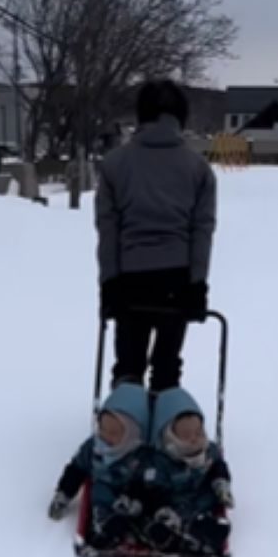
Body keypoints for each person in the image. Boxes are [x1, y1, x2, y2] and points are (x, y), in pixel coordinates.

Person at [95, 80, 218, 393]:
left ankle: (123, 425)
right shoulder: (199, 168)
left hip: (128, 278)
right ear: (181, 116)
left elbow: (107, 230)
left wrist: (109, 284)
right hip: (177, 280)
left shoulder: (114, 165)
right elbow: (202, 231)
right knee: (166, 365)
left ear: (141, 115)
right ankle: (170, 426)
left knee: (128, 365)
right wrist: (197, 284)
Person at [47, 383, 151, 550]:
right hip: (105, 487)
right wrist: (64, 493)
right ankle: (104, 524)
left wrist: (137, 498)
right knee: (100, 493)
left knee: (148, 498)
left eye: (115, 433)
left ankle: (144, 528)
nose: (107, 437)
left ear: (133, 433)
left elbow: (151, 480)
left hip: (133, 492)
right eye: (103, 429)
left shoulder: (141, 452)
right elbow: (76, 469)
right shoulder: (94, 446)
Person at [140, 386, 233, 556]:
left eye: (198, 432)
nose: (194, 439)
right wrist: (160, 506)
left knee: (206, 508)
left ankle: (200, 532)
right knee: (151, 516)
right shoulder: (160, 459)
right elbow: (151, 490)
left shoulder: (208, 451)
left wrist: (221, 483)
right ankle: (167, 534)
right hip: (169, 505)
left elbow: (218, 467)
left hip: (198, 501)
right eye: (186, 434)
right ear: (170, 435)